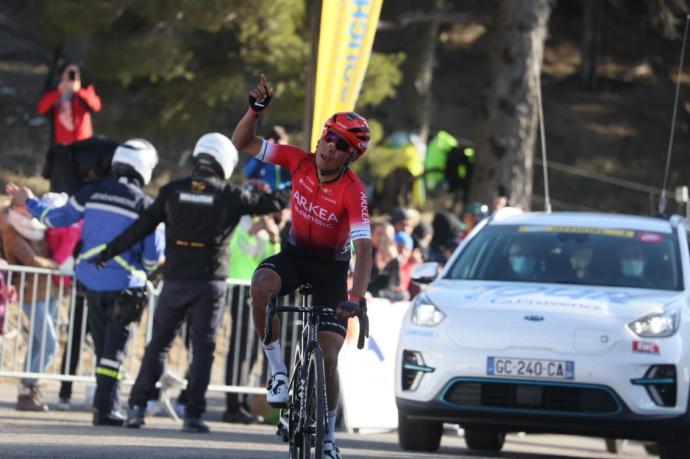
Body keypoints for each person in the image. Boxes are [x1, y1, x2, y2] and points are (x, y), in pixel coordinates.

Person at [91, 132, 288, 434]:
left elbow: (141, 227)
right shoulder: (230, 195)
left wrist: (108, 251)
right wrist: (287, 183)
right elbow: (273, 202)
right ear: (224, 162)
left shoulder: (171, 191)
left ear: (199, 156)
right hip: (210, 284)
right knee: (203, 349)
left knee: (158, 345)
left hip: (175, 282)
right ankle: (193, 415)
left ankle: (135, 408)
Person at [232, 73, 373, 459]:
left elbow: (364, 249)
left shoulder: (354, 192)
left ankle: (327, 437)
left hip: (330, 270)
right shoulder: (299, 160)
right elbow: (241, 143)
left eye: (341, 144)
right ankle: (278, 370)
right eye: (329, 134)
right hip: (294, 255)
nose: (330, 145)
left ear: (351, 155)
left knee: (328, 355)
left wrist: (355, 298)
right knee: (261, 283)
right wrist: (254, 110)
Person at [7, 138, 164, 425]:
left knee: (103, 344)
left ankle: (104, 408)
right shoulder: (146, 206)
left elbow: (54, 218)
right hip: (125, 286)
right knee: (113, 353)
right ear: (145, 168)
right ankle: (105, 409)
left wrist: (28, 201)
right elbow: (153, 257)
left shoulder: (91, 192)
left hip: (90, 283)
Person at [2, 191, 59, 411]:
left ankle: (27, 392)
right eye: (26, 205)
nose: (30, 209)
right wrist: (57, 266)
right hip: (30, 293)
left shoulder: (36, 228)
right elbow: (30, 260)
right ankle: (29, 385)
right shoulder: (11, 231)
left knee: (38, 344)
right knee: (48, 343)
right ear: (16, 209)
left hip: (49, 290)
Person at [37, 62, 102, 146]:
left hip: (83, 142)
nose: (73, 75)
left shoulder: (85, 88)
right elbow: (41, 109)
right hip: (62, 144)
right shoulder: (54, 90)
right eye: (70, 72)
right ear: (62, 75)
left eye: (75, 72)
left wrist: (79, 91)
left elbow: (96, 106)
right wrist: (58, 92)